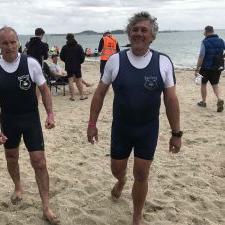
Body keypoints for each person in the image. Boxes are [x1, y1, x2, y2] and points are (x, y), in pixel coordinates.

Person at [87, 11, 182, 225]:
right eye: (135, 30)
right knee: (117, 169)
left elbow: (171, 101)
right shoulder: (115, 61)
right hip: (121, 128)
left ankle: (137, 216)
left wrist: (176, 133)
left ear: (152, 36)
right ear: (129, 34)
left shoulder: (163, 62)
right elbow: (99, 94)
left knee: (141, 174)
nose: (138, 34)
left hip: (147, 129)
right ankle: (121, 181)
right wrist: (92, 124)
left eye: (144, 30)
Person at [0, 26, 59, 225]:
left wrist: (50, 114)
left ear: (18, 42)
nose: (9, 47)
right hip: (8, 119)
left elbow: (44, 90)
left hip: (30, 118)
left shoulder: (31, 64)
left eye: (12, 42)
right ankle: (18, 186)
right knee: (11, 157)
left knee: (40, 162)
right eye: (4, 43)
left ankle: (46, 206)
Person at [195, 25, 225, 112]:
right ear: (213, 31)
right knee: (215, 85)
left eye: (204, 31)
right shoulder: (221, 41)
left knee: (203, 84)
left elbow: (201, 56)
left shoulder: (204, 42)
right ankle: (219, 99)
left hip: (205, 68)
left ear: (206, 32)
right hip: (217, 67)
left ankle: (204, 102)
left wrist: (197, 68)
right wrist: (222, 57)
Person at [60, 33, 88, 101]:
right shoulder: (78, 46)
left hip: (69, 65)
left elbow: (61, 57)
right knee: (79, 80)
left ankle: (72, 97)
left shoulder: (64, 47)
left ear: (67, 38)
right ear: (73, 37)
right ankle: (81, 95)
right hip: (77, 65)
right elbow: (82, 57)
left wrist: (66, 61)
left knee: (70, 80)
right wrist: (79, 62)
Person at [26, 28, 49, 101]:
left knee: (31, 81)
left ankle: (32, 97)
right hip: (38, 64)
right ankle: (36, 98)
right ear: (42, 34)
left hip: (28, 64)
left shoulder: (28, 43)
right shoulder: (43, 45)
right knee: (38, 82)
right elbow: (45, 57)